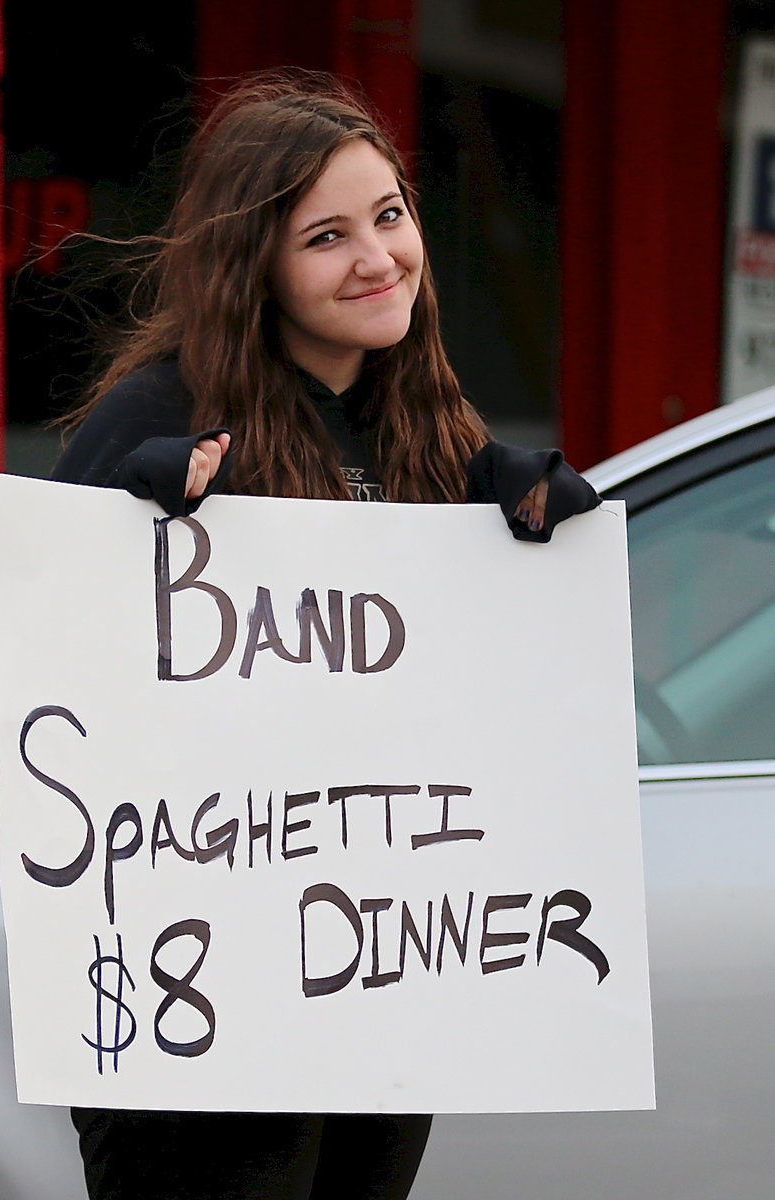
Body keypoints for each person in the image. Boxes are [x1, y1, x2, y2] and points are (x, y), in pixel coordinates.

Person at [40, 72, 600, 1200]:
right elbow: (30, 683)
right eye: (327, 236)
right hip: (202, 999)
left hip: (374, 989)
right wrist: (116, 542)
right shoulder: (158, 415)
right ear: (254, 265)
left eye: (390, 216)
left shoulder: (433, 425)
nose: (377, 257)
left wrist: (529, 533)